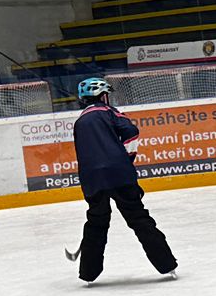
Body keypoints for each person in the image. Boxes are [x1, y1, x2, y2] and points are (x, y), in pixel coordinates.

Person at [70, 76, 178, 283]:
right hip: (119, 175)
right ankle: (167, 265)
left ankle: (88, 273)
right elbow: (131, 132)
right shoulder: (109, 112)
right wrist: (126, 160)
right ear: (103, 96)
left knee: (96, 222)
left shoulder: (80, 121)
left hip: (92, 180)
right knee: (139, 218)